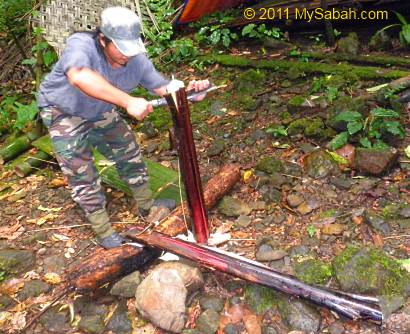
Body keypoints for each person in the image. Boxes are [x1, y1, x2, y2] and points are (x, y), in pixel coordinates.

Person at [37, 6, 209, 248]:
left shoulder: (136, 60)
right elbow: (79, 76)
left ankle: (146, 205)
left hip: (99, 110)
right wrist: (128, 101)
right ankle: (103, 230)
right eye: (120, 48)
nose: (126, 55)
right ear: (103, 39)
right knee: (81, 170)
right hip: (63, 111)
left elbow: (164, 89)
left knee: (128, 150)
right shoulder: (81, 45)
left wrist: (190, 93)